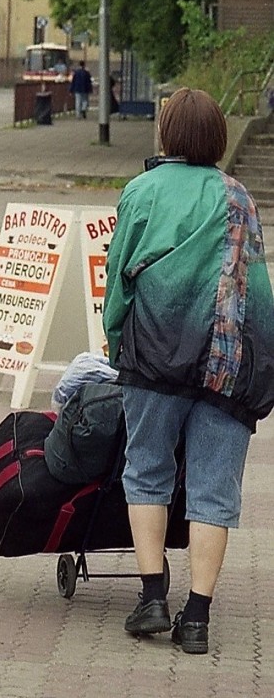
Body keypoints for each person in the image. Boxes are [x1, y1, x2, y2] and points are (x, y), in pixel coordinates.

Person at [103, 88, 274, 655]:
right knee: (213, 490)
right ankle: (197, 618)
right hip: (228, 365)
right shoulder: (239, 197)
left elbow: (120, 284)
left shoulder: (142, 191)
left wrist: (114, 344)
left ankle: (152, 598)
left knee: (147, 471)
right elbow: (257, 288)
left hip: (155, 355)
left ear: (167, 134)